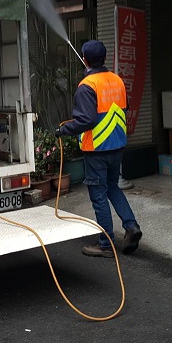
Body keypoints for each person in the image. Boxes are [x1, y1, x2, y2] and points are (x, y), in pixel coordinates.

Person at [56, 40, 142, 257]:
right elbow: (123, 107)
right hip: (117, 146)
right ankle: (131, 227)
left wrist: (64, 130)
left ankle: (105, 244)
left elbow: (85, 120)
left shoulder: (87, 85)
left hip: (97, 149)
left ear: (84, 59)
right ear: (103, 58)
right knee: (113, 187)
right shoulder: (117, 80)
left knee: (99, 195)